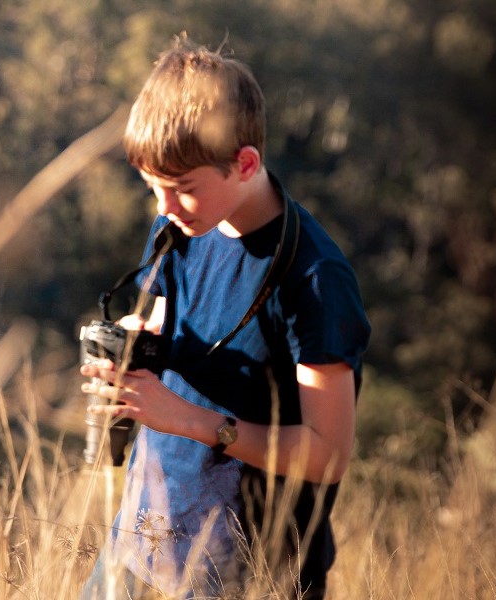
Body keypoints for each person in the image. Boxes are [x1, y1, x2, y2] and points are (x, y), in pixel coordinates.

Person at [79, 37, 370, 599]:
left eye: (182, 189)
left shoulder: (314, 279)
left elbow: (328, 455)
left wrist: (190, 420)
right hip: (140, 544)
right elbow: (170, 319)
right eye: (152, 187)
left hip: (251, 571)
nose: (163, 207)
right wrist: (137, 348)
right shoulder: (179, 227)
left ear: (245, 163)